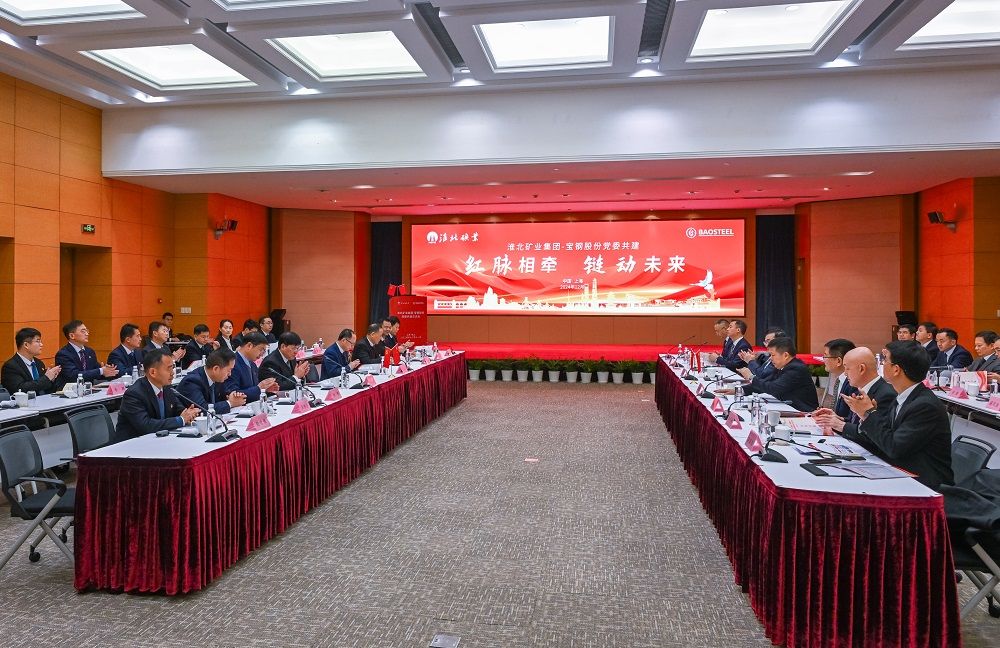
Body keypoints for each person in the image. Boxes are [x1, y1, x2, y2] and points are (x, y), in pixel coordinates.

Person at [843, 340, 953, 490]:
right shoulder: (903, 397)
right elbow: (886, 435)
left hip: (925, 483)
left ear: (896, 370)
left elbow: (894, 448)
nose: (881, 365)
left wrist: (868, 414)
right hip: (901, 471)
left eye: (885, 361)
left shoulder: (925, 406)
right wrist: (868, 415)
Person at [813, 347, 897, 452]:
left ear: (861, 369)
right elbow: (858, 424)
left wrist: (841, 425)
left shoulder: (885, 394)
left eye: (847, 368)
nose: (845, 373)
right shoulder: (861, 389)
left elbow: (877, 435)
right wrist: (837, 419)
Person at [115, 348, 199, 441]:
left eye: (173, 368)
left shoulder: (167, 388)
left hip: (158, 440)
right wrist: (181, 420)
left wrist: (188, 413)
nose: (172, 373)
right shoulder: (134, 394)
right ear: (153, 372)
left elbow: (177, 408)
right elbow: (146, 425)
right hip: (132, 444)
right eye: (168, 369)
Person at [735, 336, 819, 411]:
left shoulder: (796, 369)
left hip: (803, 412)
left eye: (773, 355)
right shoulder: (783, 366)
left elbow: (774, 388)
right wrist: (740, 390)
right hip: (787, 406)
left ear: (785, 355)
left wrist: (751, 377)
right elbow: (766, 383)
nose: (770, 359)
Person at [177, 348, 247, 415]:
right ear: (216, 369)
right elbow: (202, 409)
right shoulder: (192, 381)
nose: (230, 374)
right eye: (229, 370)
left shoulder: (217, 378)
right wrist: (230, 403)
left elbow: (224, 396)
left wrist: (233, 397)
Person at [54, 320, 118, 390]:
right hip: (69, 392)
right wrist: (101, 371)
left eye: (87, 331)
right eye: (83, 331)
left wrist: (108, 371)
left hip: (89, 391)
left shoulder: (89, 352)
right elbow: (73, 375)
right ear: (72, 336)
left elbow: (95, 372)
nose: (87, 334)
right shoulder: (63, 354)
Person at [1, 327, 61, 395]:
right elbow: (20, 389)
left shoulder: (39, 363)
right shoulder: (11, 366)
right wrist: (46, 378)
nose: (41, 345)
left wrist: (51, 380)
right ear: (26, 345)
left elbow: (43, 390)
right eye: (37, 341)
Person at [222, 333, 278, 403]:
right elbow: (233, 394)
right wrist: (259, 388)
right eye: (261, 349)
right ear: (249, 346)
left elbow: (254, 389)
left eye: (264, 351)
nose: (262, 354)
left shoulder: (253, 365)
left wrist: (265, 389)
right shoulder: (232, 364)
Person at [818, 338, 857, 415]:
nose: (823, 360)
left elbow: (851, 418)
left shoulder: (853, 384)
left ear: (838, 361)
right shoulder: (840, 380)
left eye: (825, 356)